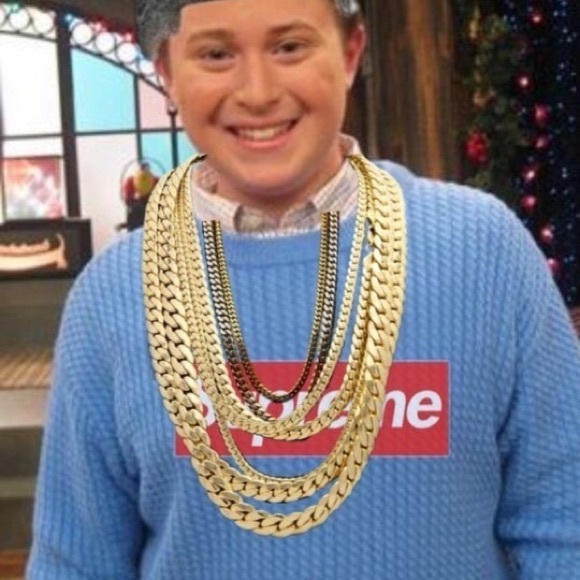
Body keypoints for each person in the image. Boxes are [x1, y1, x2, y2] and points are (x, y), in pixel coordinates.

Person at [27, 0, 580, 578]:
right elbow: (75, 564)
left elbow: (564, 528)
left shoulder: (484, 253)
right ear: (167, 72)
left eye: (289, 46)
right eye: (216, 54)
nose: (258, 92)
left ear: (350, 52)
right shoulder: (112, 298)